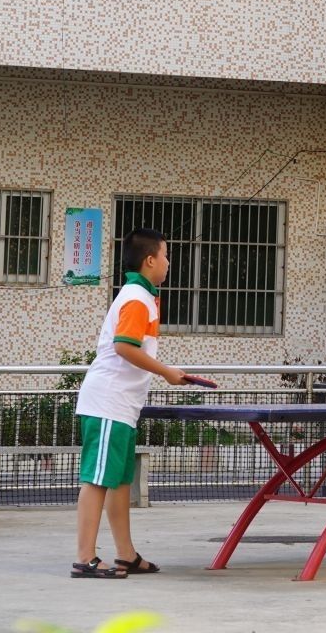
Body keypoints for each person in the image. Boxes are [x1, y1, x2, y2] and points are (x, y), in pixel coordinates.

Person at [71, 228, 189, 578]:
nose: (169, 263)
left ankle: (126, 554)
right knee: (97, 480)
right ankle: (84, 558)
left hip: (121, 405)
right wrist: (167, 372)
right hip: (108, 401)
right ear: (150, 260)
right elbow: (124, 346)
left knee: (120, 482)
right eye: (166, 256)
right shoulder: (137, 297)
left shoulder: (143, 296)